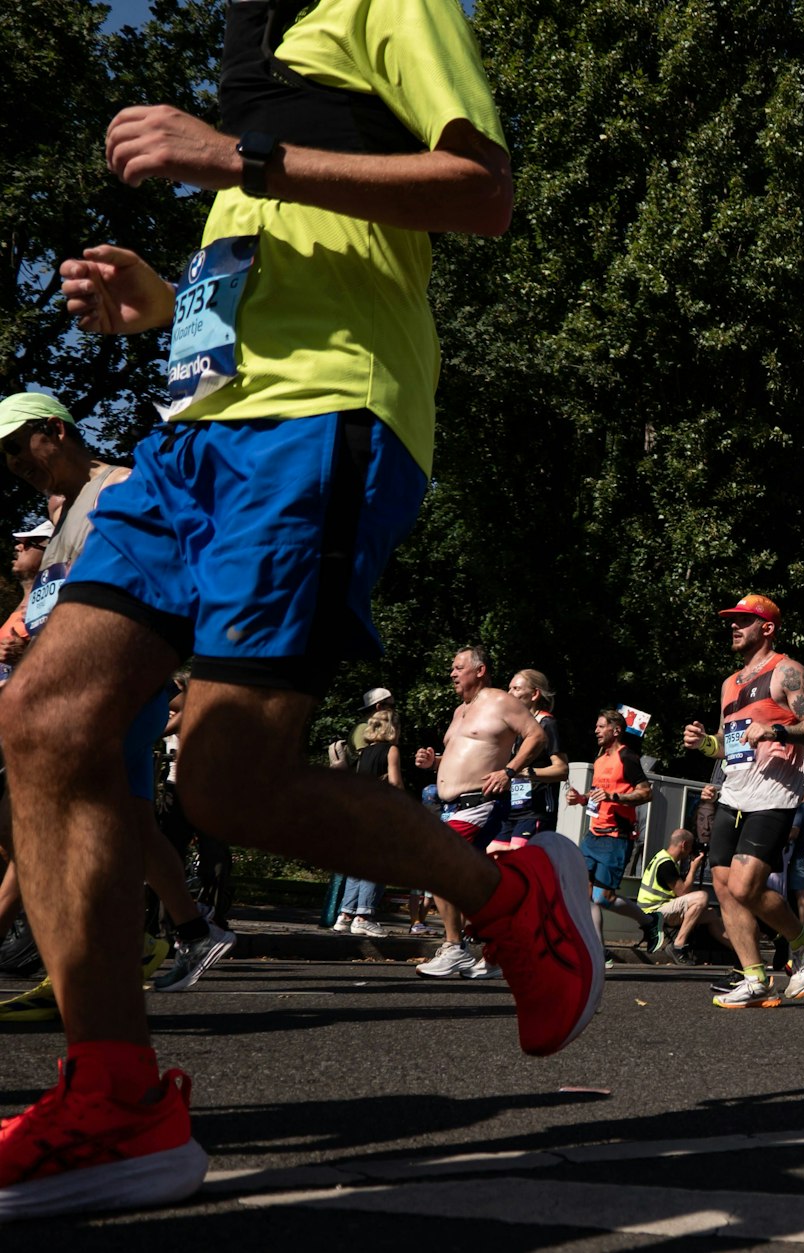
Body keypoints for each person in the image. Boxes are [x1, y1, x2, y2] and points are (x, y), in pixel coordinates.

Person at [1, 0, 602, 1220]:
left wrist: (232, 157)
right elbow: (273, 277)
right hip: (200, 434)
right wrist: (164, 306)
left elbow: (481, 190)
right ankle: (114, 1099)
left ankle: (508, 893)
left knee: (227, 782)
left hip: (323, 425)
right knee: (45, 723)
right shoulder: (251, 45)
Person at [0, 395, 232, 1010]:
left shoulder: (118, 487)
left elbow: (162, 577)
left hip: (115, 684)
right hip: (86, 683)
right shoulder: (68, 511)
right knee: (123, 819)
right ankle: (188, 930)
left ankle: (95, 959)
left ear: (55, 429)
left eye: (16, 445)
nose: (12, 461)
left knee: (51, 812)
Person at [682, 593, 804, 1009]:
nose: (734, 627)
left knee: (747, 886)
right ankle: (754, 978)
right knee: (724, 887)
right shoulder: (729, 683)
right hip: (734, 790)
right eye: (732, 621)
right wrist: (704, 743)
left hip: (774, 795)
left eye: (743, 621)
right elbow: (725, 744)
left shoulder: (787, 672)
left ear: (766, 628)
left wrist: (776, 732)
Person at [410, 646, 547, 979]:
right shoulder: (460, 711)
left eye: (458, 667)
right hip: (450, 806)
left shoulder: (500, 701)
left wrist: (510, 771)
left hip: (479, 804)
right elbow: (464, 755)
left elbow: (536, 735)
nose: (452, 673)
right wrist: (435, 762)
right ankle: (499, 949)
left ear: (480, 670)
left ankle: (455, 948)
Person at [566, 709, 652, 941]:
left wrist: (614, 797)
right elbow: (598, 795)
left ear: (616, 730)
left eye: (601, 726)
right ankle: (597, 950)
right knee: (583, 894)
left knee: (603, 897)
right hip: (593, 835)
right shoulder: (600, 759)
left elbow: (646, 793)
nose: (596, 730)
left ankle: (649, 921)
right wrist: (581, 799)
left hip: (616, 837)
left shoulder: (627, 757)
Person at [333, 708, 405, 937]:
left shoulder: (364, 753)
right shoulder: (391, 750)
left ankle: (345, 915)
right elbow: (395, 784)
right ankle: (364, 916)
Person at [498, 670, 570, 846]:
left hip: (535, 811)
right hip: (510, 807)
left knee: (519, 858)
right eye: (509, 688)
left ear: (534, 694)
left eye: (516, 688)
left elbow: (562, 770)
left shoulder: (547, 724)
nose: (509, 694)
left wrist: (528, 772)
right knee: (493, 857)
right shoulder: (511, 726)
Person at [636, 828, 724, 961]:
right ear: (684, 845)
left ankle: (737, 952)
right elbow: (683, 892)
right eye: (691, 847)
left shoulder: (663, 857)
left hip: (658, 909)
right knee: (702, 897)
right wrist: (693, 869)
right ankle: (678, 945)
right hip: (653, 912)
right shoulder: (666, 864)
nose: (691, 851)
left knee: (711, 914)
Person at [0, 522, 52, 688]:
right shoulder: (19, 608)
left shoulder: (55, 604)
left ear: (50, 551)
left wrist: (24, 655)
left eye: (30, 543)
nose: (18, 547)